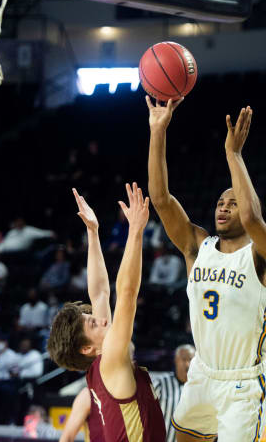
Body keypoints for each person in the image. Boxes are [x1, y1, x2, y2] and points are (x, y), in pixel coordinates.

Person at [147, 98, 266, 441]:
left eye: (233, 203)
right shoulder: (198, 247)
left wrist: (234, 155)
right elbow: (161, 199)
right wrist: (158, 131)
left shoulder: (265, 254)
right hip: (202, 374)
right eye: (220, 203)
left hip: (243, 384)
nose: (223, 208)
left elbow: (253, 218)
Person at [47, 184, 165, 441]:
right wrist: (135, 232)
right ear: (87, 348)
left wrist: (93, 232)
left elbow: (100, 292)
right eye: (93, 324)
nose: (101, 319)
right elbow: (126, 295)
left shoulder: (100, 365)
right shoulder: (110, 359)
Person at [153, 344, 196, 442]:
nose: (188, 364)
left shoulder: (200, 390)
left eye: (191, 360)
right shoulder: (160, 384)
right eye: (184, 359)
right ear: (176, 360)